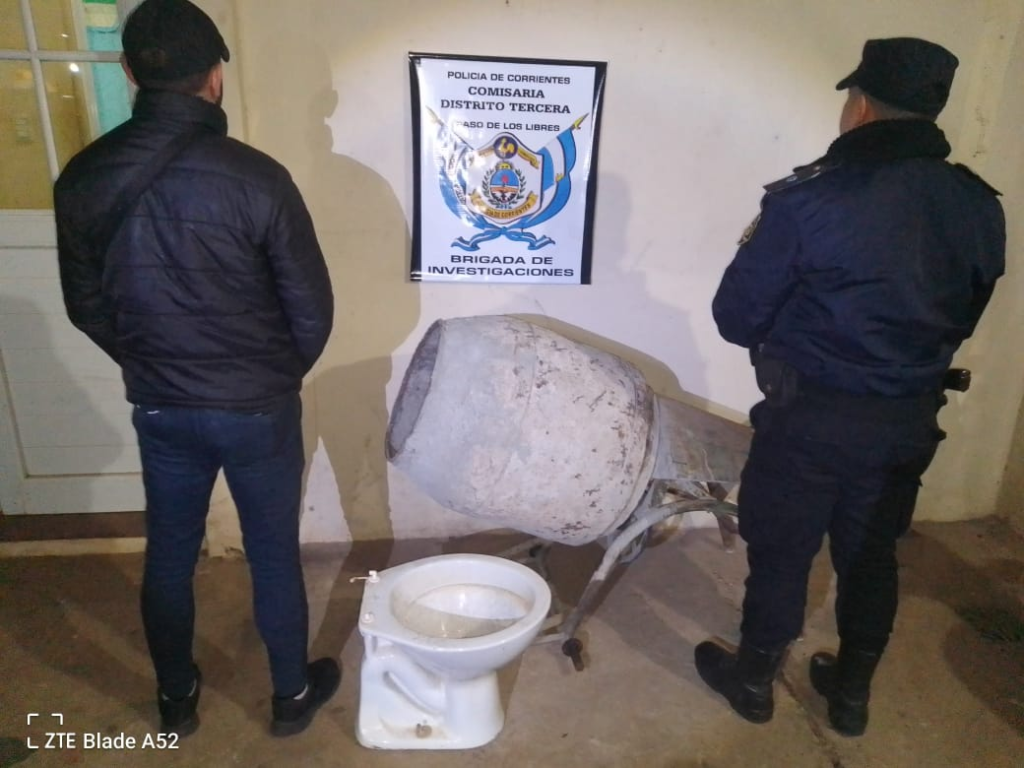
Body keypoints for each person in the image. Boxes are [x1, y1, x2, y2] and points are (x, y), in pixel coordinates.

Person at [696, 37, 1005, 737]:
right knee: (871, 556)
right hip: (908, 419)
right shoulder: (978, 204)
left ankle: (753, 683)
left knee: (783, 550)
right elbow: (965, 312)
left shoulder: (809, 199)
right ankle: (852, 697)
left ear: (860, 106)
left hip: (810, 419)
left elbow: (737, 318)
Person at [54, 0, 337, 738]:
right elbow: (312, 312)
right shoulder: (259, 179)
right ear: (214, 77)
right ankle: (290, 698)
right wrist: (267, 380)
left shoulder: (83, 178)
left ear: (128, 72)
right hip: (258, 409)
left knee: (170, 553)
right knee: (272, 552)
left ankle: (176, 700)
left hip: (162, 407)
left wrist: (154, 366)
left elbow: (86, 308)